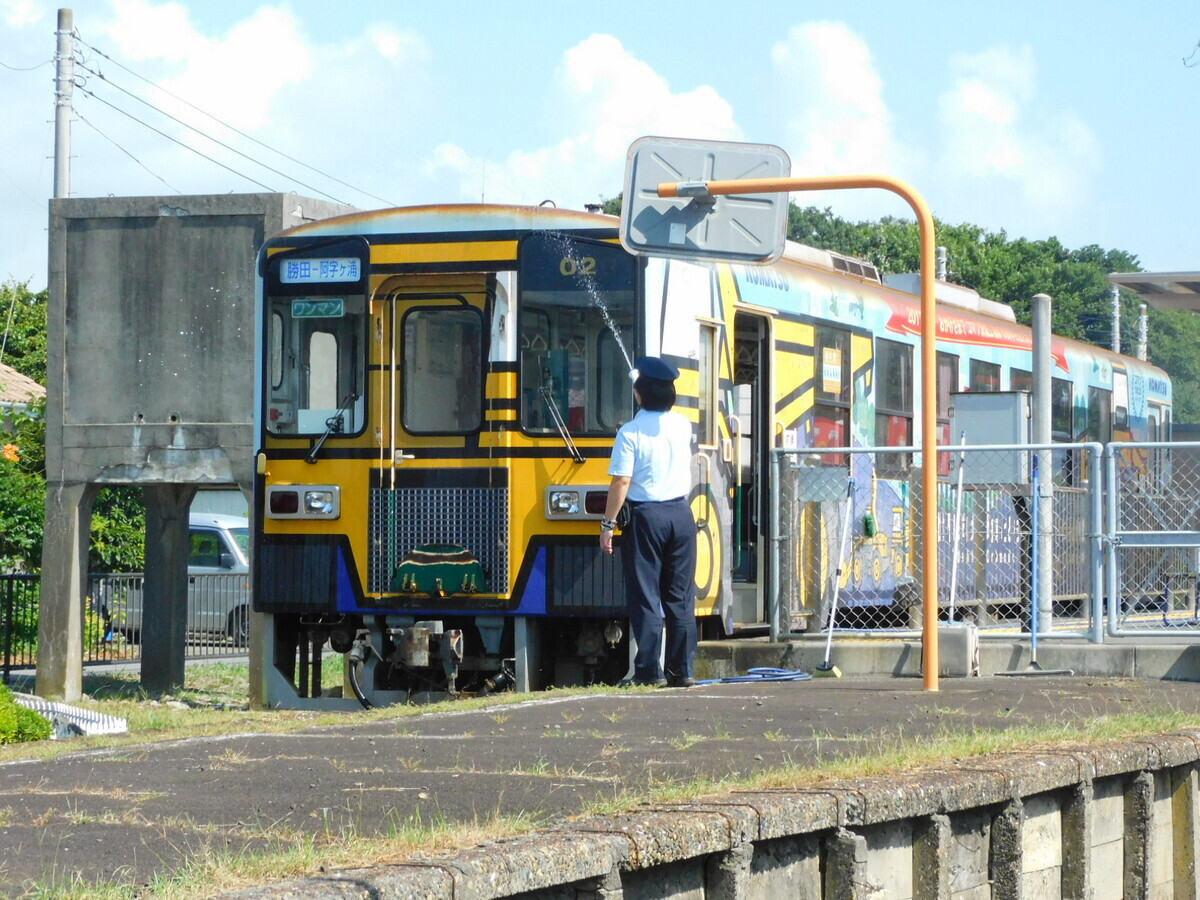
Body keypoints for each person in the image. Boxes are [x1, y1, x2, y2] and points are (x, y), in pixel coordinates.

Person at [600, 356, 698, 688]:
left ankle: (647, 669)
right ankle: (681, 670)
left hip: (646, 518)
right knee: (679, 596)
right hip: (682, 515)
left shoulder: (629, 433)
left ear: (639, 395)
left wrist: (607, 525)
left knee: (646, 596)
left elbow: (620, 483)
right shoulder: (684, 425)